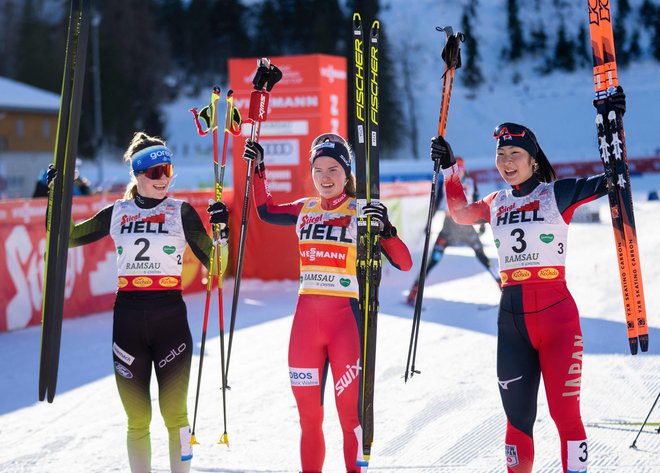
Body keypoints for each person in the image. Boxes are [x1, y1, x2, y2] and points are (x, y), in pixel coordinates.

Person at [430, 93, 625, 473]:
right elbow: (458, 212)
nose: (506, 163)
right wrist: (450, 169)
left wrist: (614, 125)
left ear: (533, 159)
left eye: (514, 155)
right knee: (517, 420)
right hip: (512, 323)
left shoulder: (557, 193)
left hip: (558, 321)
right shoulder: (496, 201)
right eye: (501, 156)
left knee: (565, 415)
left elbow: (613, 180)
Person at [46, 132, 229, 473]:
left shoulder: (182, 212)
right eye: (155, 173)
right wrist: (57, 194)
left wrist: (224, 233)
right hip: (128, 322)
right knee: (137, 418)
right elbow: (67, 238)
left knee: (175, 415)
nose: (164, 180)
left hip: (170, 320)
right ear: (138, 175)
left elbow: (218, 266)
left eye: (168, 170)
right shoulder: (117, 212)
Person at [244, 133, 412, 473]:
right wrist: (258, 167)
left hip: (344, 324)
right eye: (318, 169)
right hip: (305, 325)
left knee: (349, 418)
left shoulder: (361, 209)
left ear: (347, 172)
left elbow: (405, 263)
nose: (325, 177)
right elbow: (265, 211)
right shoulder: (304, 208)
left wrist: (387, 231)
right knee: (308, 419)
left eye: (333, 169)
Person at [406, 156, 499, 306]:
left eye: (461, 170)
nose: (460, 173)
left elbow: (477, 203)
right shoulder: (446, 182)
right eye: (457, 170)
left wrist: (481, 224)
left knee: (484, 259)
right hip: (448, 226)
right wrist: (428, 223)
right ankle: (413, 293)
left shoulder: (470, 182)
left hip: (466, 227)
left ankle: (503, 288)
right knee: (432, 261)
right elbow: (436, 203)